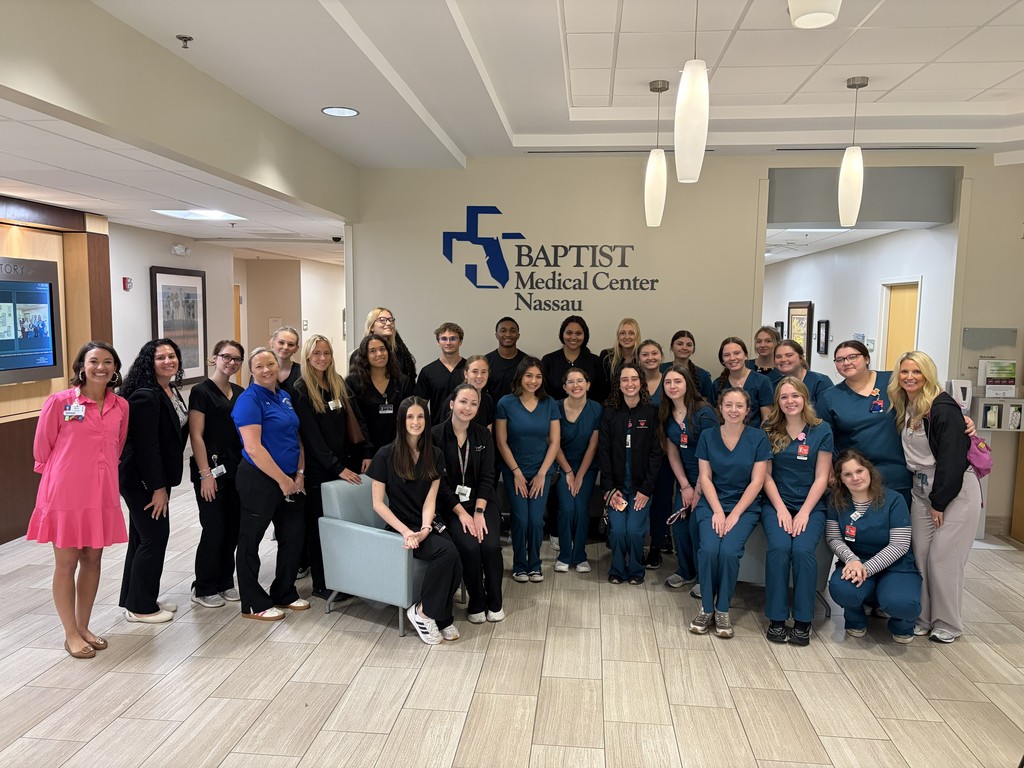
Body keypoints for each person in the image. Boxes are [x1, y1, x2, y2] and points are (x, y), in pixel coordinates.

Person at [27, 341, 129, 657]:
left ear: (115, 368)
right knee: (67, 562)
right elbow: (42, 449)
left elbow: (118, 446)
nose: (101, 367)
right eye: (94, 361)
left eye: (108, 361)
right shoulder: (60, 402)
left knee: (93, 560)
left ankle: (84, 626)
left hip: (101, 492)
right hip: (65, 493)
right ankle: (70, 633)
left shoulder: (120, 406)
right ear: (81, 367)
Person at [888, 350, 981, 643]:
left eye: (917, 372)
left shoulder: (942, 407)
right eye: (904, 372)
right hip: (920, 489)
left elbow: (953, 460)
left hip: (953, 491)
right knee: (922, 555)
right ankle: (924, 617)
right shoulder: (907, 405)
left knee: (944, 559)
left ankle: (948, 624)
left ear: (928, 374)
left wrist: (939, 502)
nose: (910, 377)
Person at [369, 397, 463, 644]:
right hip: (399, 527)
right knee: (446, 554)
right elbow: (378, 503)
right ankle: (426, 613)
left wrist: (424, 529)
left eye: (420, 416)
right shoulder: (384, 454)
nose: (416, 421)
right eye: (410, 416)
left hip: (425, 523)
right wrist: (406, 532)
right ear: (401, 420)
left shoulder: (435, 454)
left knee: (455, 556)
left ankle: (435, 615)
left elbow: (430, 500)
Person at [233, 347, 309, 621]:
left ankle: (284, 592)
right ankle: (253, 602)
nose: (266, 370)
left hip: (291, 479)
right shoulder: (248, 400)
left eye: (270, 365)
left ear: (278, 367)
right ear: (251, 371)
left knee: (293, 537)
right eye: (260, 366)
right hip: (260, 480)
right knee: (251, 540)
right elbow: (254, 449)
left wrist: (299, 472)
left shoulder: (285, 396)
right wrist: (282, 480)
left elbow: (296, 438)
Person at [293, 334, 371, 601]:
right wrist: (336, 467)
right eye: (316, 354)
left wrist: (364, 452)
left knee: (340, 527)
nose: (322, 358)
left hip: (343, 466)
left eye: (326, 353)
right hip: (321, 470)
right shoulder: (301, 389)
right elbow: (311, 436)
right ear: (307, 357)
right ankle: (322, 584)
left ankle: (343, 579)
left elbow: (356, 421)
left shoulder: (337, 382)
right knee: (320, 528)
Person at [689, 388, 770, 638]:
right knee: (710, 549)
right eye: (728, 405)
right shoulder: (707, 436)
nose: (733, 410)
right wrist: (717, 511)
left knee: (729, 552)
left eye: (739, 406)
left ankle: (722, 609)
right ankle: (706, 608)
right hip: (711, 504)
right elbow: (705, 478)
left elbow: (758, 481)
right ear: (720, 408)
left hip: (743, 506)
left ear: (748, 410)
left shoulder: (758, 438)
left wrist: (733, 514)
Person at [118, 339, 189, 624]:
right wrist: (157, 488)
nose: (168, 361)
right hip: (143, 480)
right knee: (154, 537)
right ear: (150, 361)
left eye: (172, 356)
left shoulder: (169, 389)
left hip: (154, 476)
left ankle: (136, 598)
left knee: (141, 537)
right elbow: (146, 447)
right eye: (161, 357)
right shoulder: (146, 396)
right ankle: (141, 609)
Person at [760, 377, 833, 645]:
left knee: (802, 551)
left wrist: (803, 513)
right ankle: (777, 618)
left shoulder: (821, 430)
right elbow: (765, 476)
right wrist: (780, 508)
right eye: (784, 397)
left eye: (795, 396)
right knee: (779, 549)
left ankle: (803, 620)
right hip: (776, 502)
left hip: (810, 505)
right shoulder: (769, 428)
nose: (790, 401)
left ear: (805, 398)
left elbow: (822, 477)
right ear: (777, 401)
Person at [827, 450, 921, 644]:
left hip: (896, 566)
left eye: (859, 471)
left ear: (869, 471)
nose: (855, 477)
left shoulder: (894, 500)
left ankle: (902, 625)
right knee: (842, 589)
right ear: (840, 479)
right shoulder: (836, 502)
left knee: (901, 602)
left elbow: (900, 545)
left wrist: (866, 569)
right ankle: (855, 618)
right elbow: (834, 538)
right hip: (856, 561)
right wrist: (852, 560)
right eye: (847, 474)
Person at [432, 384, 503, 623]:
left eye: (474, 403)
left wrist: (479, 511)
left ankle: (495, 601)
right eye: (463, 402)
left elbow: (487, 476)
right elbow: (438, 485)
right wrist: (462, 513)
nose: (468, 407)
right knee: (470, 547)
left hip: (482, 502)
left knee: (490, 545)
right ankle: (477, 600)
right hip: (451, 506)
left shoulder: (482, 434)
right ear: (452, 404)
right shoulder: (434, 436)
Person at [817, 340, 911, 505]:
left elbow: (926, 399)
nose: (846, 362)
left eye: (852, 357)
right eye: (840, 360)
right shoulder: (829, 397)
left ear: (867, 358)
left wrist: (959, 418)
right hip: (856, 477)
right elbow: (822, 439)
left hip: (897, 473)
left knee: (898, 526)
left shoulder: (892, 381)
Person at [188, 340, 245, 609]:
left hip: (236, 469)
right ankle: (204, 586)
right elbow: (196, 436)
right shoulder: (201, 391)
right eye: (226, 357)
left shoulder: (240, 391)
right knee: (214, 527)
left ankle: (225, 581)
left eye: (237, 359)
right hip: (210, 470)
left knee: (232, 528)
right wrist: (205, 474)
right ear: (214, 358)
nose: (231, 362)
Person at [495, 357, 560, 582]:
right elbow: (501, 441)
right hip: (515, 471)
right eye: (529, 375)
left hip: (542, 470)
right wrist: (516, 472)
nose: (533, 381)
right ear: (520, 377)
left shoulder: (550, 403)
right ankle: (519, 564)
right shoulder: (505, 403)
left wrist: (543, 473)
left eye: (538, 376)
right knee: (521, 519)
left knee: (535, 520)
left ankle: (535, 564)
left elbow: (554, 442)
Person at [598, 363, 663, 585]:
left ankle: (636, 569)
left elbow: (656, 454)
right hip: (616, 488)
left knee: (635, 531)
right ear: (618, 384)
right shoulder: (609, 413)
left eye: (634, 379)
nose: (630, 384)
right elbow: (603, 452)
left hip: (641, 488)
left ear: (641, 382)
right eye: (624, 380)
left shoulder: (652, 412)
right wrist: (609, 489)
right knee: (617, 531)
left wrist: (646, 489)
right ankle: (617, 568)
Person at [658, 364, 718, 591]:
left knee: (697, 527)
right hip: (685, 480)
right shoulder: (666, 413)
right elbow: (672, 451)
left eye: (677, 381)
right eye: (668, 382)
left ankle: (705, 579)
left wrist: (699, 489)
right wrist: (684, 485)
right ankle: (685, 570)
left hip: (709, 479)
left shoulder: (704, 412)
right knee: (680, 526)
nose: (673, 386)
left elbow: (711, 454)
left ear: (687, 384)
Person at [553, 367, 602, 574]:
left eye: (580, 381)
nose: (576, 385)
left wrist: (580, 475)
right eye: (571, 382)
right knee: (567, 509)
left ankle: (580, 555)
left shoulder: (597, 409)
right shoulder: (554, 407)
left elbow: (593, 446)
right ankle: (564, 554)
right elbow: (553, 442)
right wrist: (568, 472)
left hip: (587, 467)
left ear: (588, 385)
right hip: (561, 464)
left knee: (581, 509)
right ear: (564, 387)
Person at [346, 333, 414, 458]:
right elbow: (356, 421)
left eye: (382, 349)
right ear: (364, 356)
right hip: (365, 454)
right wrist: (367, 453)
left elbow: (409, 416)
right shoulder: (353, 382)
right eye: (372, 351)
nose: (379, 354)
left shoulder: (402, 381)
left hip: (398, 450)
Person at [541, 315, 607, 403]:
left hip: (590, 415)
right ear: (562, 334)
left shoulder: (595, 361)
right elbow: (541, 393)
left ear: (585, 335)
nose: (573, 337)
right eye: (569, 333)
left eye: (578, 333)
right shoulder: (548, 361)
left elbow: (602, 394)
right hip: (554, 414)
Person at [714, 337, 773, 429]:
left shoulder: (762, 381)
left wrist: (758, 438)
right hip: (724, 438)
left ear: (745, 355)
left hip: (754, 439)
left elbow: (767, 418)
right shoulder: (717, 384)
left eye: (737, 353)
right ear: (722, 360)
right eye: (727, 355)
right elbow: (714, 418)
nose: (732, 358)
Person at [415, 322, 467, 420]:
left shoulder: (470, 369)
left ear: (460, 342)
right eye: (444, 339)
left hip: (466, 428)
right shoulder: (428, 372)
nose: (448, 342)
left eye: (453, 338)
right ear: (438, 342)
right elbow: (420, 407)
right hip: (436, 430)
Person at [357, 306, 417, 382]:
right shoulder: (359, 354)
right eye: (382, 320)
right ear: (372, 326)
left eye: (391, 320)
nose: (389, 323)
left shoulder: (400, 352)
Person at [661, 330, 716, 405]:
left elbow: (707, 403)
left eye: (689, 345)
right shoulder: (661, 369)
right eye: (680, 344)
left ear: (693, 349)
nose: (684, 348)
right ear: (672, 347)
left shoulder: (703, 375)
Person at [773, 340, 833, 408]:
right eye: (778, 357)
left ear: (801, 358)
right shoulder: (775, 385)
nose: (783, 360)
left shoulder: (820, 382)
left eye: (789, 355)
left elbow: (828, 413)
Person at [444, 355, 495, 429]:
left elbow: (488, 432)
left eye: (484, 372)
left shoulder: (487, 400)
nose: (479, 376)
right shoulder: (454, 399)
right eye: (475, 371)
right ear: (466, 374)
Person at [485, 317, 528, 401]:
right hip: (492, 412)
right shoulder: (486, 361)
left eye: (512, 331)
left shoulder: (527, 362)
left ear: (518, 335)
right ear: (496, 335)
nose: (508, 334)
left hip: (519, 411)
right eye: (503, 331)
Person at [599, 317, 640, 388]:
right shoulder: (607, 356)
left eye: (631, 333)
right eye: (622, 333)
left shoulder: (643, 358)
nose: (627, 337)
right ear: (618, 336)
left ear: (637, 336)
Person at [268, 326, 301, 394]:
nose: (285, 347)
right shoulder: (261, 370)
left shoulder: (303, 372)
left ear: (296, 349)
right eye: (281, 342)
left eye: (290, 344)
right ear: (271, 343)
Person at [638, 339, 665, 403]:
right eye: (645, 354)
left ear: (662, 356)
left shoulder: (669, 382)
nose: (650, 358)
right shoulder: (633, 383)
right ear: (638, 359)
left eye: (654, 353)